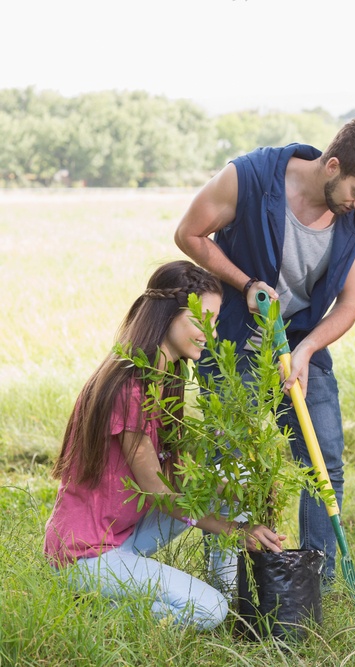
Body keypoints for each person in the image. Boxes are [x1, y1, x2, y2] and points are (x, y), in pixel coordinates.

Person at [174, 117, 355, 585]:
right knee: (229, 460)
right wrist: (245, 283)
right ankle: (224, 580)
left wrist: (306, 350)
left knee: (325, 462)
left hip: (301, 343)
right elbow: (188, 234)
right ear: (333, 165)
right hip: (234, 342)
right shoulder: (250, 178)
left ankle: (315, 581)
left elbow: (351, 303)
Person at [44, 260, 283, 631]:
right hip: (85, 554)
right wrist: (236, 532)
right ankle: (89, 615)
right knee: (208, 611)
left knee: (224, 476)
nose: (210, 333)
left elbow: (180, 478)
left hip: (124, 537)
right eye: (200, 321)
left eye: (214, 322)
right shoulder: (129, 386)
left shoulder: (164, 381)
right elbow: (158, 492)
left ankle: (226, 584)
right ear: (166, 315)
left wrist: (245, 491)